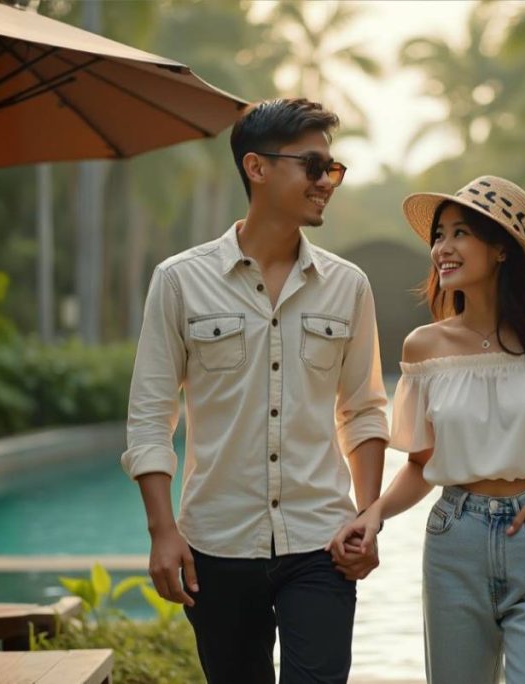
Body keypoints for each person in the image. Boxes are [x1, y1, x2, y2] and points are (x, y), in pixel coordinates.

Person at [122, 98, 389, 684]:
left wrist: (368, 517)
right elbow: (149, 417)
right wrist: (162, 532)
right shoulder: (179, 281)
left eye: (333, 170)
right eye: (313, 167)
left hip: (321, 544)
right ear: (257, 168)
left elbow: (364, 410)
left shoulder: (349, 286)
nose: (327, 182)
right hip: (215, 545)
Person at [328, 176, 525, 684]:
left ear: (501, 250)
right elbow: (421, 467)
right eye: (439, 236)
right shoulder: (423, 348)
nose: (443, 248)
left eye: (460, 233)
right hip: (455, 545)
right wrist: (373, 513)